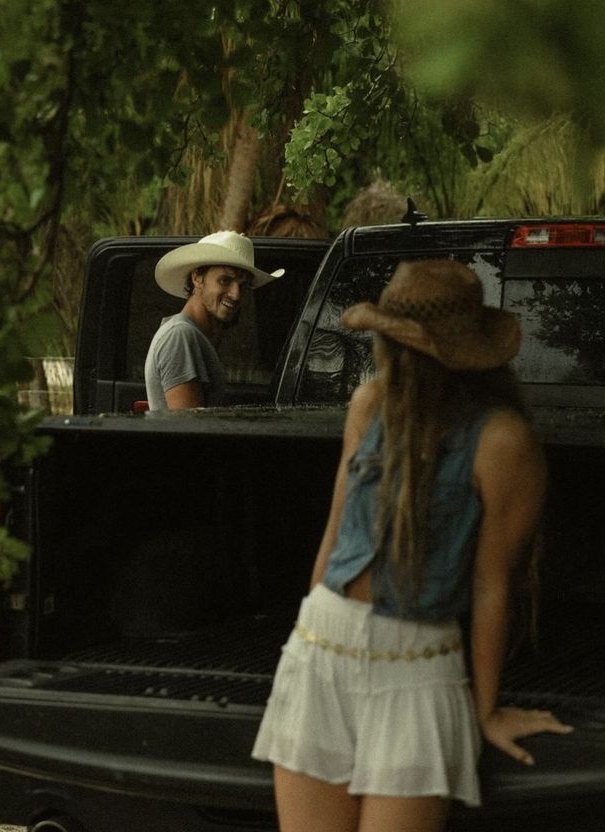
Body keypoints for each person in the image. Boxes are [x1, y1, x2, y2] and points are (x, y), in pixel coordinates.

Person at [252, 259, 573, 832]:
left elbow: (491, 582)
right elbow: (335, 533)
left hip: (418, 671)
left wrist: (485, 710)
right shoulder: (370, 406)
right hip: (322, 651)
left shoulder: (501, 440)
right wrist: (304, 641)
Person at [144, 230, 284, 410]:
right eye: (225, 280)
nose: (236, 294)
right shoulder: (180, 336)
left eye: (243, 285)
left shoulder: (193, 335)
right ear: (197, 278)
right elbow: (185, 429)